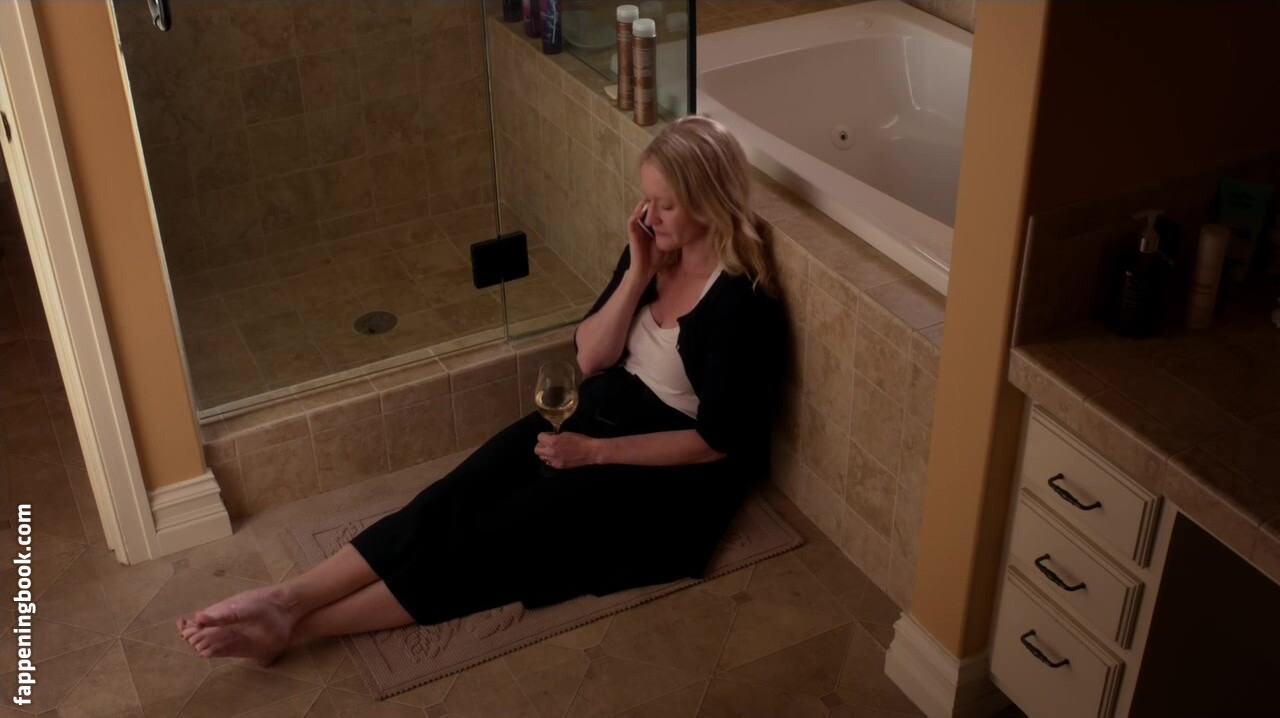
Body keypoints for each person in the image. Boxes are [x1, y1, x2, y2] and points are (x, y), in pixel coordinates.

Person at [176, 115, 790, 667]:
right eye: (646, 200)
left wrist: (595, 453)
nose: (648, 217)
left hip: (669, 471)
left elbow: (716, 442)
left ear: (708, 202)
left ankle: (296, 629)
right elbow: (591, 359)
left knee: (495, 539)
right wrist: (637, 272)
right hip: (604, 410)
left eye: (665, 205)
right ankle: (289, 597)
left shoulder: (740, 302)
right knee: (455, 495)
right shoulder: (654, 252)